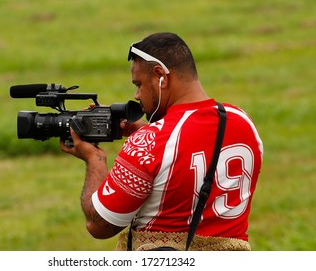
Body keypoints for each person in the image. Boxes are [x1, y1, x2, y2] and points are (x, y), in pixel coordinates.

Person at [60, 32, 263, 251]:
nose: (137, 95)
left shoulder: (150, 142)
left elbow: (99, 224)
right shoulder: (243, 122)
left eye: (139, 84)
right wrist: (150, 132)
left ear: (160, 77)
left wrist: (94, 158)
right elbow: (193, 145)